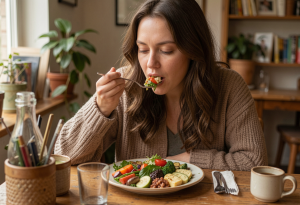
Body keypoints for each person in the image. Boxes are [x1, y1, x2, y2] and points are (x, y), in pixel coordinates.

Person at [55, 0, 268, 171]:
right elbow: (64, 155)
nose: (150, 64)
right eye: (143, 49)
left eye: (166, 50)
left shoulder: (229, 86)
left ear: (193, 50)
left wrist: (190, 159)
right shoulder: (126, 88)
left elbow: (254, 161)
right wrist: (100, 108)